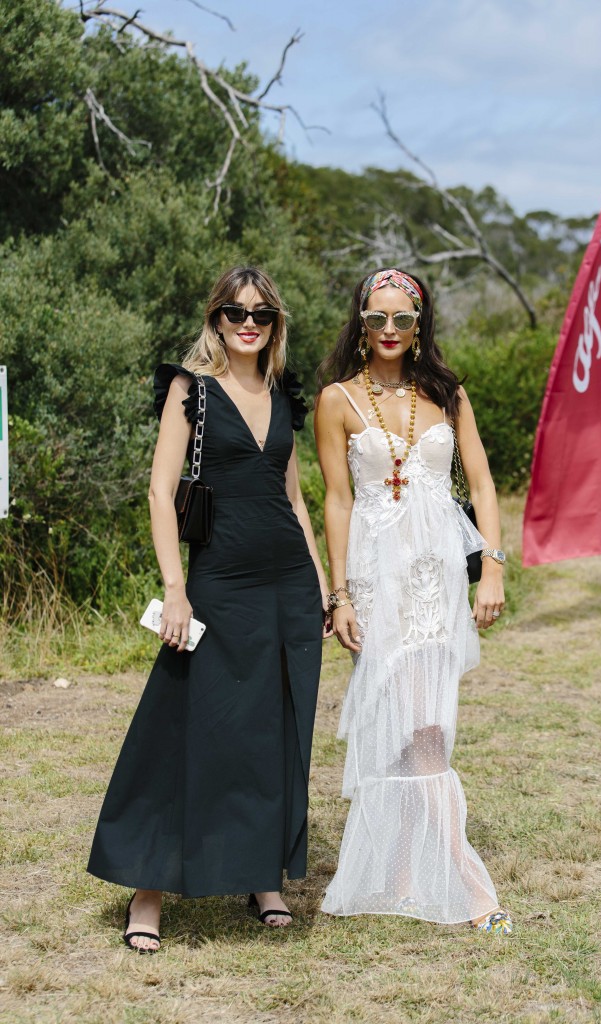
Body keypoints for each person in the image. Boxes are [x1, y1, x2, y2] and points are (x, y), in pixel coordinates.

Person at [88, 266, 329, 950]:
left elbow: (293, 497)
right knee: (185, 722)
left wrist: (320, 582)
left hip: (287, 580)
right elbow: (160, 492)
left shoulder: (282, 392)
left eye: (261, 313)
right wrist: (175, 587)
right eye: (235, 311)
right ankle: (148, 888)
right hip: (219, 580)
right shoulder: (189, 389)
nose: (248, 323)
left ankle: (262, 876)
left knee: (275, 729)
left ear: (275, 323)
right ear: (216, 319)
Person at [314, 268, 512, 933]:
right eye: (377, 318)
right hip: (375, 580)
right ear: (361, 323)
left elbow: (482, 486)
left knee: (426, 724)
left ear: (420, 324)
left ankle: (422, 873)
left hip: (434, 579)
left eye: (403, 318)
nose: (390, 330)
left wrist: (492, 570)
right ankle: (448, 879)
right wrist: (339, 595)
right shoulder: (337, 399)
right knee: (400, 722)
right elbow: (337, 501)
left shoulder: (448, 394)